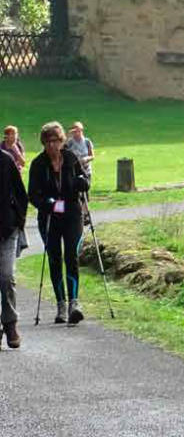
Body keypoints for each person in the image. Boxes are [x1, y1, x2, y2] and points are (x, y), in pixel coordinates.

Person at [28, 121, 89, 326]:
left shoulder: (71, 158)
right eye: (48, 142)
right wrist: (47, 204)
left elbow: (85, 181)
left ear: (62, 141)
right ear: (44, 143)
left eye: (56, 141)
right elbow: (33, 195)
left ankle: (74, 304)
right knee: (55, 258)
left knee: (71, 255)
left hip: (72, 213)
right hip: (49, 217)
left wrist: (83, 182)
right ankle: (60, 304)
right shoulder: (38, 164)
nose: (52, 146)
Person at [0, 146, 28, 348]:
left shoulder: (6, 160)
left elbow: (21, 194)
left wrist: (18, 221)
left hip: (7, 230)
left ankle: (10, 323)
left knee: (7, 276)